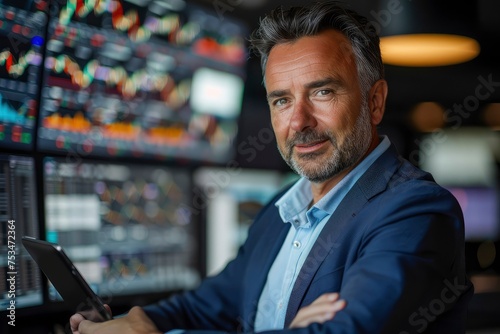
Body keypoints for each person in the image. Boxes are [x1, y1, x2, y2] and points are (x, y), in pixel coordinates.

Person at [71, 1, 473, 333]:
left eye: (322, 92)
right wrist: (137, 322)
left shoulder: (417, 211)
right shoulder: (282, 211)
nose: (299, 122)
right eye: (281, 100)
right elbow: (209, 305)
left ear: (374, 102)